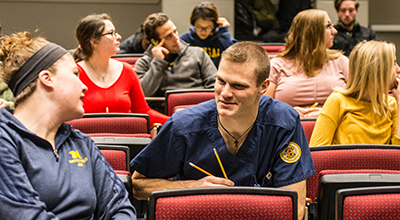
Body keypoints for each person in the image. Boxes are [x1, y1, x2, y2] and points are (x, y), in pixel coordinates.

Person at [131, 41, 315, 220]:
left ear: (263, 87)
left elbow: (294, 208)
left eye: (238, 86)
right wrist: (191, 186)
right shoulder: (184, 125)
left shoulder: (284, 123)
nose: (225, 93)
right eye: (221, 81)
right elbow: (138, 185)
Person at [0, 31, 136, 219]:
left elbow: (120, 207)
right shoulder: (5, 139)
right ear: (47, 78)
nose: (84, 86)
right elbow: (27, 215)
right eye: (75, 74)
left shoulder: (81, 143)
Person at [73, 13, 169, 125]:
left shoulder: (127, 71)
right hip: (85, 139)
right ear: (94, 42)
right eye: (111, 33)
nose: (119, 37)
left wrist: (174, 120)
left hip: (123, 139)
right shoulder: (74, 73)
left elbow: (142, 111)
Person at [310, 40, 400, 146]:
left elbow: (397, 153)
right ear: (377, 70)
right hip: (343, 163)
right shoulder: (338, 100)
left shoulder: (391, 103)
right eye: (394, 63)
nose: (398, 69)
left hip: (378, 163)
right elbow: (317, 154)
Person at [265, 9, 349, 118]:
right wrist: (287, 112)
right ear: (312, 32)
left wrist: (329, 112)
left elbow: (359, 103)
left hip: (335, 126)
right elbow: (263, 106)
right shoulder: (276, 65)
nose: (335, 31)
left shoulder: (341, 62)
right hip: (287, 127)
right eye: (328, 26)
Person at [134, 12, 217, 97]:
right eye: (169, 36)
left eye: (175, 31)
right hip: (163, 109)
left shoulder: (199, 54)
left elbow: (215, 87)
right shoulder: (144, 63)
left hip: (198, 106)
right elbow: (141, 95)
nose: (176, 38)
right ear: (155, 42)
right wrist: (158, 62)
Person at [179, 2, 237, 68]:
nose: (203, 32)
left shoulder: (222, 38)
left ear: (214, 26)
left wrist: (224, 32)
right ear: (193, 24)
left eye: (208, 27)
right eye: (199, 27)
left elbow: (235, 57)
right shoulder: (184, 40)